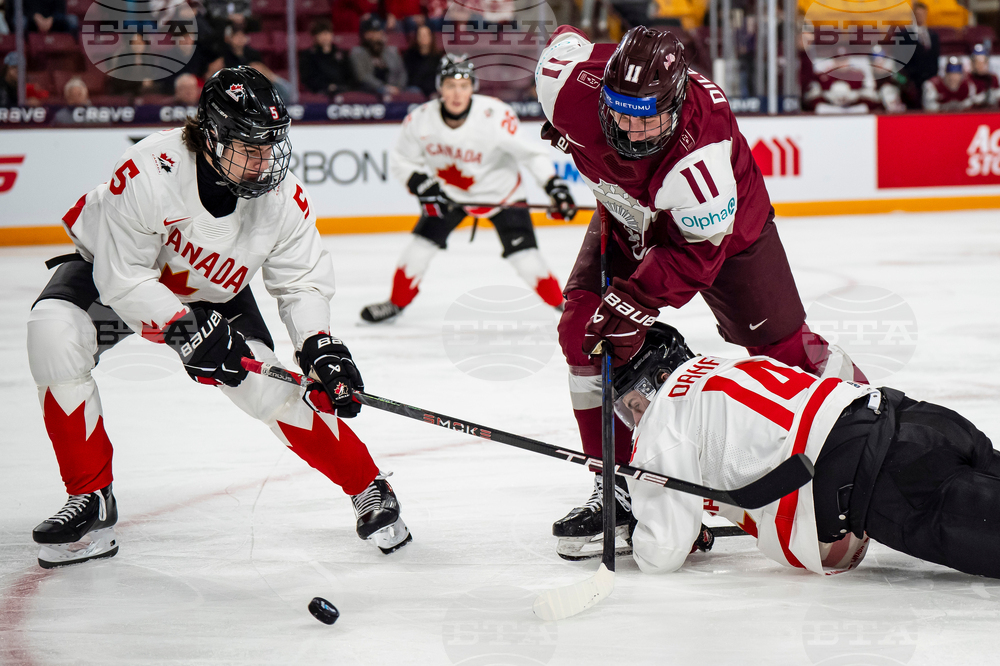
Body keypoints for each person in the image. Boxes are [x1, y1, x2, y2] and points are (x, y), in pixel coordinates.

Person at [26, 66, 412, 569]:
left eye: (270, 146)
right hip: (117, 279)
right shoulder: (149, 169)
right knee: (53, 332)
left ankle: (370, 488)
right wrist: (186, 330)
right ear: (210, 134)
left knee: (269, 386)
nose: (263, 163)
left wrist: (319, 345)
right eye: (248, 148)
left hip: (213, 293)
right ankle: (92, 498)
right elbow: (122, 278)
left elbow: (300, 280)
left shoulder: (282, 197)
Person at [534, 25, 864, 557]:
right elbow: (564, 38)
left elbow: (695, 255)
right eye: (618, 112)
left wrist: (634, 304)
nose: (630, 131)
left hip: (726, 235)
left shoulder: (701, 156)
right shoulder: (564, 85)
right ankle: (613, 484)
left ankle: (858, 410)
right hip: (627, 216)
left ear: (676, 102)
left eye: (646, 119)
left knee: (781, 347)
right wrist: (562, 127)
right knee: (582, 334)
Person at [615, 323, 1000, 579]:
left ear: (658, 378)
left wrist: (640, 536)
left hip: (882, 477)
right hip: (918, 419)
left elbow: (662, 552)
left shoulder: (662, 419)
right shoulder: (721, 365)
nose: (633, 415)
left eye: (630, 401)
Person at [359, 54, 577, 323]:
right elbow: (401, 160)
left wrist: (553, 186)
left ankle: (565, 308)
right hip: (452, 196)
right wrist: (418, 182)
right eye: (450, 85)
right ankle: (395, 303)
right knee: (418, 249)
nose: (457, 93)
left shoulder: (494, 116)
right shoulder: (420, 120)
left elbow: (531, 155)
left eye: (463, 85)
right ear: (440, 87)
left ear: (473, 87)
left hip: (503, 196)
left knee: (527, 260)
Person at [349, 15, 407, 99]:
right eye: (372, 32)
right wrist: (383, 87)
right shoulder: (357, 53)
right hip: (368, 93)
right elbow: (362, 76)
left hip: (396, 91)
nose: (376, 36)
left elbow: (402, 73)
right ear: (365, 35)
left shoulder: (392, 52)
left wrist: (399, 87)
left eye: (378, 32)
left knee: (415, 92)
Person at [299, 18, 353, 97]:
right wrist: (326, 86)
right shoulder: (308, 56)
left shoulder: (341, 54)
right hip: (319, 93)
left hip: (342, 90)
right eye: (320, 34)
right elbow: (308, 79)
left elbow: (349, 75)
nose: (324, 36)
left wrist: (341, 86)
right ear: (314, 36)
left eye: (327, 33)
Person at [402, 24, 441, 98]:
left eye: (426, 35)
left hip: (432, 92)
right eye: (420, 35)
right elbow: (408, 79)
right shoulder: (409, 56)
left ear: (431, 37)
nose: (423, 38)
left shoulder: (438, 58)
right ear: (416, 37)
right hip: (415, 92)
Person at [970, 43, 999, 109]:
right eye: (977, 62)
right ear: (973, 63)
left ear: (987, 62)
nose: (980, 65)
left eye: (983, 62)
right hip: (974, 114)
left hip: (991, 113)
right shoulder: (969, 78)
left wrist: (995, 96)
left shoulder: (993, 78)